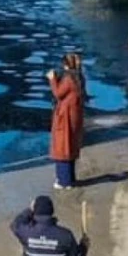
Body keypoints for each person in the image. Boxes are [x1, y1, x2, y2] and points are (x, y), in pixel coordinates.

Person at [46, 53, 85, 190]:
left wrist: (52, 79)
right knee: (71, 145)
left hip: (65, 117)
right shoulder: (79, 76)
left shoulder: (68, 78)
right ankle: (70, 178)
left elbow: (58, 93)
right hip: (75, 115)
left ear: (66, 64)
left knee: (62, 146)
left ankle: (64, 181)